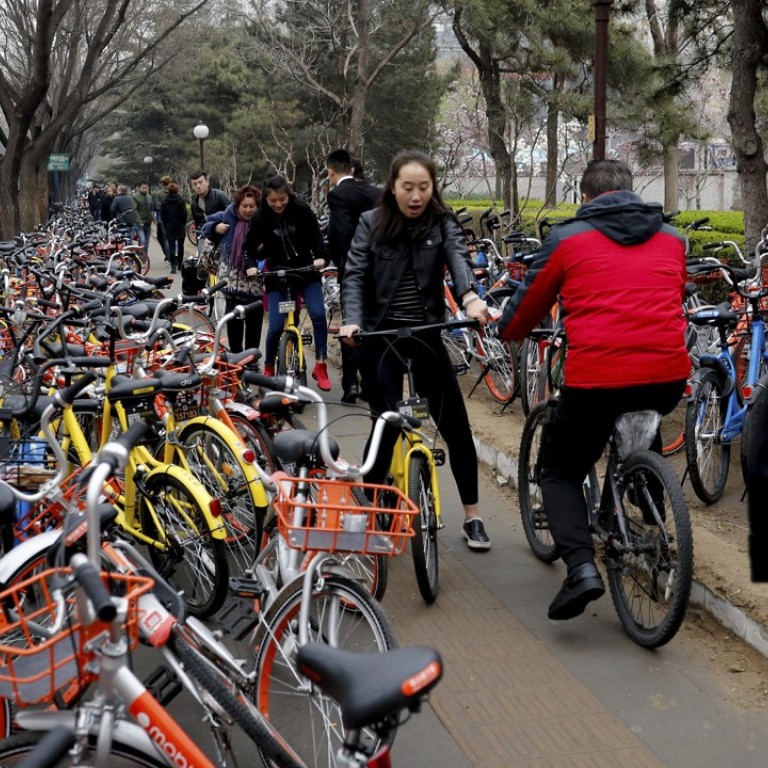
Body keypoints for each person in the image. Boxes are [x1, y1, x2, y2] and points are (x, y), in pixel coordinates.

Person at [497, 158, 689, 619]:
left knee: (559, 470)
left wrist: (508, 328)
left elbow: (527, 310)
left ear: (586, 197)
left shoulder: (566, 238)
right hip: (667, 376)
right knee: (643, 434)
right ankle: (646, 525)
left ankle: (581, 567)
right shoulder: (673, 239)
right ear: (633, 192)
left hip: (597, 379)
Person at [338, 149, 491, 551]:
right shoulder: (370, 223)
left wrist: (472, 300)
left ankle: (473, 517)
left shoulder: (441, 224)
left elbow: (459, 262)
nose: (417, 195)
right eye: (408, 187)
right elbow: (353, 275)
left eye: (424, 187)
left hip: (427, 334)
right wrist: (352, 319)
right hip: (380, 339)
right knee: (384, 428)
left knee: (457, 429)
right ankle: (372, 513)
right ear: (393, 187)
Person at [244, 175, 331, 390]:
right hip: (277, 275)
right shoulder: (260, 218)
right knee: (275, 326)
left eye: (282, 199)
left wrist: (321, 257)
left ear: (288, 195)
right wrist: (250, 265)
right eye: (273, 201)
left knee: (319, 315)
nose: (278, 204)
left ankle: (321, 364)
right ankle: (268, 367)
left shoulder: (302, 210)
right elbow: (249, 248)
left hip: (305, 272)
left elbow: (317, 239)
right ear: (266, 199)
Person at [325, 149, 380, 403]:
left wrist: (339, 262)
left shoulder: (337, 195)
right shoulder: (376, 194)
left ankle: (351, 384)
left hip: (352, 270)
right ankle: (370, 384)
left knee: (351, 326)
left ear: (332, 171)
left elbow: (341, 232)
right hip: (379, 269)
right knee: (372, 326)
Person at [201, 184, 264, 354]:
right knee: (234, 329)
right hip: (231, 284)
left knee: (254, 327)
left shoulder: (263, 220)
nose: (248, 210)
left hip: (255, 282)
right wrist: (215, 227)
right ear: (237, 205)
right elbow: (205, 226)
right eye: (244, 206)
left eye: (252, 206)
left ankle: (251, 361)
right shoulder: (227, 215)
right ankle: (236, 362)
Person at [189, 170, 231, 295]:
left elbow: (231, 215)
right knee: (202, 258)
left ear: (207, 182)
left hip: (224, 233)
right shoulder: (194, 203)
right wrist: (201, 237)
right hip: (205, 236)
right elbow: (199, 225)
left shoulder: (220, 196)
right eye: (194, 184)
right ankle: (200, 290)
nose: (198, 186)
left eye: (200, 182)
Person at [160, 182, 189, 275]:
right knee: (181, 246)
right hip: (180, 225)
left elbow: (163, 215)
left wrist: (166, 223)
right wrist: (183, 223)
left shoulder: (164, 201)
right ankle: (180, 264)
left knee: (171, 246)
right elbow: (184, 213)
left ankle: (173, 266)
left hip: (169, 225)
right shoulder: (181, 200)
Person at [153, 175, 173, 261]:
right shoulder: (173, 191)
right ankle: (170, 255)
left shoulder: (158, 194)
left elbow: (156, 207)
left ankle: (169, 256)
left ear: (162, 183)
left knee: (163, 238)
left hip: (161, 218)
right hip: (172, 217)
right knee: (169, 237)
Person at [132, 181, 153, 249]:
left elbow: (151, 209)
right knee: (142, 240)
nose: (145, 189)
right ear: (139, 188)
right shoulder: (135, 197)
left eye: (146, 188)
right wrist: (139, 221)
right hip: (139, 223)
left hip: (148, 222)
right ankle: (141, 256)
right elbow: (134, 209)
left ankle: (144, 256)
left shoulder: (149, 197)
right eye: (143, 188)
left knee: (147, 241)